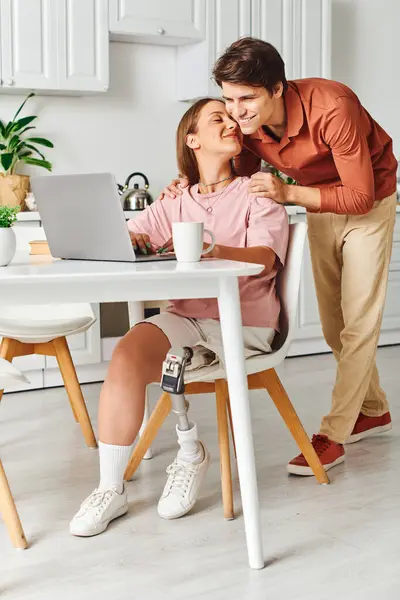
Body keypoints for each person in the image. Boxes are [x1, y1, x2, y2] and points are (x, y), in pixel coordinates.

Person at [160, 37, 398, 476]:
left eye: (246, 97)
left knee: (359, 324)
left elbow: (360, 196)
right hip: (318, 205)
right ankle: (374, 410)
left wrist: (287, 192)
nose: (236, 110)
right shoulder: (246, 129)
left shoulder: (333, 106)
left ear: (277, 89)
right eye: (228, 99)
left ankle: (335, 433)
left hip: (369, 205)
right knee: (334, 325)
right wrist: (184, 186)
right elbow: (230, 182)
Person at [69, 98, 288, 537]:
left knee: (177, 360)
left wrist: (213, 250)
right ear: (193, 140)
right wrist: (112, 234)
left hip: (242, 322)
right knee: (128, 354)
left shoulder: (256, 191)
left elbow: (265, 259)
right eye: (218, 118)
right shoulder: (175, 201)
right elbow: (133, 236)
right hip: (185, 316)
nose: (231, 122)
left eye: (232, 118)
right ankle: (110, 489)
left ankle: (189, 453)